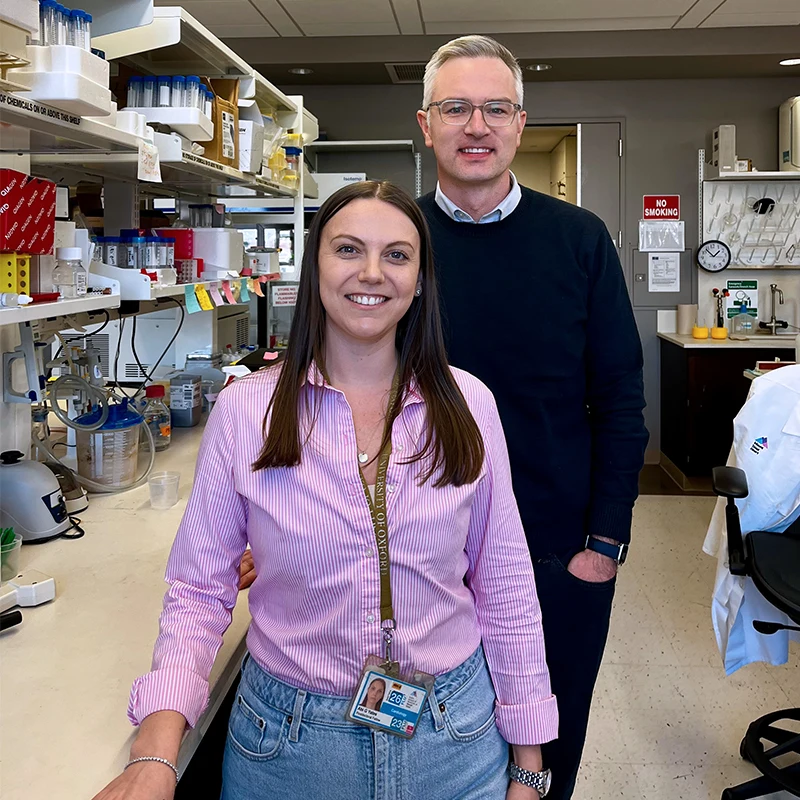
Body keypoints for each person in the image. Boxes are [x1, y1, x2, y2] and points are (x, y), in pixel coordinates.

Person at [92, 181, 558, 800]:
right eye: (347, 250)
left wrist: (527, 767)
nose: (372, 272)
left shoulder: (469, 404)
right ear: (314, 268)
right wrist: (155, 753)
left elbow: (505, 582)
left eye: (397, 254)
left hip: (455, 738)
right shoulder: (246, 410)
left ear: (420, 279)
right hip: (289, 746)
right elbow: (199, 590)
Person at [415, 36, 649, 800]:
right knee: (429, 747)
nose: (475, 124)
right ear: (427, 124)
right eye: (456, 107)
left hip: (556, 552)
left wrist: (604, 544)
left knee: (546, 752)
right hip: (423, 553)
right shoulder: (394, 243)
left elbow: (620, 397)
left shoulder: (578, 240)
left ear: (520, 123)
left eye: (495, 108)